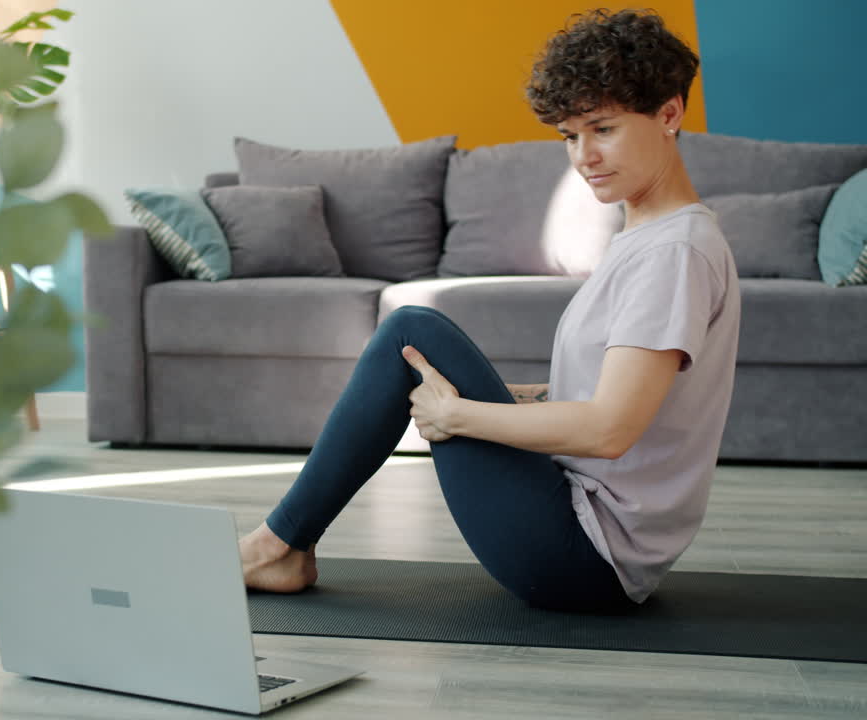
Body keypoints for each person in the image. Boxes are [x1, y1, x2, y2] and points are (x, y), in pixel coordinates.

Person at [237, 8, 741, 613]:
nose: (585, 156)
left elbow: (610, 430)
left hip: (584, 554)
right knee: (418, 341)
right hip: (585, 533)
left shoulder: (673, 252)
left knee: (410, 330)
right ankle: (279, 545)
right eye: (569, 135)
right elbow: (623, 395)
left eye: (602, 128)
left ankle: (276, 548)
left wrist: (459, 416)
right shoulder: (653, 235)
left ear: (669, 113)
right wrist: (521, 397)